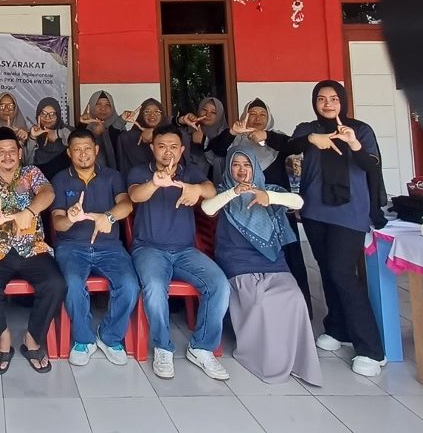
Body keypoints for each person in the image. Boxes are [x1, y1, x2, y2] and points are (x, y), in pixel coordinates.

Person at [289, 80, 387, 377]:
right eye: (321, 98)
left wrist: (353, 144)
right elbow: (289, 147)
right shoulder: (307, 128)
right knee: (327, 269)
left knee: (342, 272)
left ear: (342, 100)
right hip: (315, 211)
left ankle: (371, 349)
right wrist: (312, 139)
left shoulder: (360, 129)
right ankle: (338, 328)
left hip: (349, 212)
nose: (328, 103)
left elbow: (371, 165)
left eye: (333, 98)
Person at [201, 147, 322, 386]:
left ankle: (296, 360)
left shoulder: (269, 189)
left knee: (294, 298)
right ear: (229, 168)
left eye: (247, 165)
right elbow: (208, 208)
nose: (242, 170)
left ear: (255, 167)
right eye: (236, 165)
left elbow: (298, 201)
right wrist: (234, 192)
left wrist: (269, 197)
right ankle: (261, 357)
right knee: (261, 302)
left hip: (272, 260)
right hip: (237, 260)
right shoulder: (223, 191)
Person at [127, 125, 230, 381]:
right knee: (154, 286)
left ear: (182, 149)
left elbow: (211, 190)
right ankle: (163, 347)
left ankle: (201, 348)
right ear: (152, 148)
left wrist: (197, 190)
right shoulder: (140, 171)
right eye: (162, 146)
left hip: (185, 251)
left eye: (174, 147)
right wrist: (155, 183)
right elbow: (135, 196)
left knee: (219, 284)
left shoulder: (189, 172)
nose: (168, 152)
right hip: (148, 249)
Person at [0, 127, 66, 375]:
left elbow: (48, 193)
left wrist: (29, 211)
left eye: (12, 151)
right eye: (1, 151)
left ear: (20, 153)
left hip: (32, 247)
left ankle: (32, 337)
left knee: (56, 284)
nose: (7, 156)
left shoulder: (31, 173)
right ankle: (2, 336)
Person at [205, 98, 312, 317]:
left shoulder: (277, 140)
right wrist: (233, 132)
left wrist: (267, 137)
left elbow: (294, 146)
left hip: (276, 208)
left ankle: (300, 312)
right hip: (238, 208)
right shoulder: (236, 142)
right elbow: (215, 148)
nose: (257, 118)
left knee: (290, 258)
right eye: (252, 114)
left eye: (262, 115)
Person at [51, 128, 138, 366]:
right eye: (77, 150)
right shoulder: (60, 179)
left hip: (110, 247)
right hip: (71, 247)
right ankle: (84, 339)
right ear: (69, 153)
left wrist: (108, 217)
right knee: (72, 284)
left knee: (130, 285)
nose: (83, 154)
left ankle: (109, 336)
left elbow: (126, 204)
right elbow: (57, 222)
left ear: (96, 150)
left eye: (87, 148)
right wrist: (70, 218)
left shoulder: (112, 176)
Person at [176, 97, 228, 183]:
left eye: (213, 112)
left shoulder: (227, 135)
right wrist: (181, 121)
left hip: (216, 184)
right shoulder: (187, 131)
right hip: (186, 183)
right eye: (204, 110)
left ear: (219, 116)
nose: (207, 114)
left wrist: (204, 141)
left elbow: (223, 163)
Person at [116, 98, 168, 178]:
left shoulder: (173, 135)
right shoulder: (127, 138)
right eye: (147, 111)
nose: (152, 115)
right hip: (136, 181)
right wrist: (121, 120)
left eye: (157, 111)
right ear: (141, 115)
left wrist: (156, 133)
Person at [77, 90, 128, 170]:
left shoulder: (120, 127)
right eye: (98, 104)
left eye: (108, 104)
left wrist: (106, 132)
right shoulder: (83, 127)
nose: (103, 108)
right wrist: (84, 126)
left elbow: (122, 156)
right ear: (91, 106)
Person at [26, 97, 73, 180]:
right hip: (40, 183)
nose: (47, 117)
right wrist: (32, 138)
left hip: (65, 182)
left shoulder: (67, 131)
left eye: (52, 114)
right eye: (43, 113)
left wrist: (58, 133)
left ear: (58, 115)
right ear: (38, 115)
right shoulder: (32, 134)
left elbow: (76, 144)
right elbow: (27, 164)